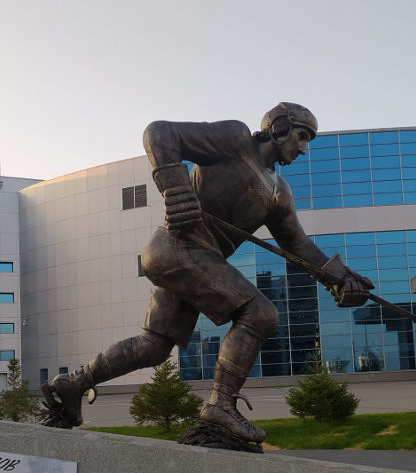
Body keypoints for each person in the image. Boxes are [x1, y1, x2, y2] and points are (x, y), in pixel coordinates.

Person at [41, 103, 375, 449]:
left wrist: (339, 277)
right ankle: (220, 406)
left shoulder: (280, 193)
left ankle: (76, 383)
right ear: (278, 127)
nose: (303, 149)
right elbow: (160, 133)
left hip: (192, 260)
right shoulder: (235, 139)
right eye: (301, 137)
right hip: (176, 247)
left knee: (154, 347)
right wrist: (175, 189)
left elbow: (298, 244)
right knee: (260, 314)